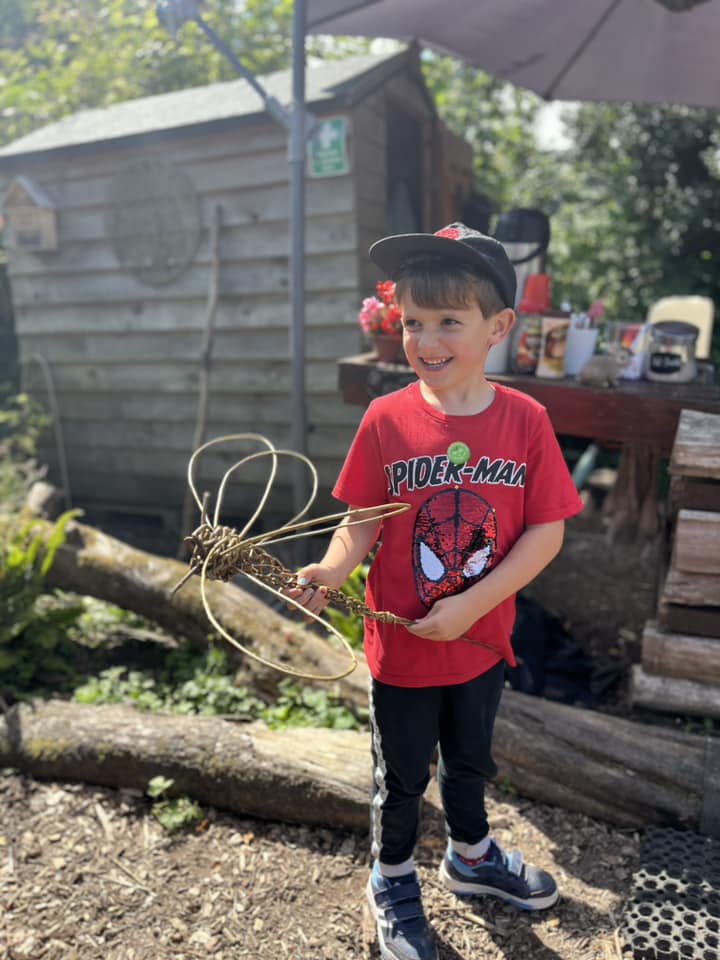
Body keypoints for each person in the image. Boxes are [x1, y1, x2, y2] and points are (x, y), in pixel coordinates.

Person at [288, 222, 584, 960]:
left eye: (449, 320)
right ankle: (390, 875)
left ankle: (471, 855)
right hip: (404, 652)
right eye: (413, 322)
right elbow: (358, 523)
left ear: (498, 327)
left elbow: (546, 533)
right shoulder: (386, 420)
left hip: (482, 644)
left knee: (472, 758)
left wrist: (473, 606)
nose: (427, 338)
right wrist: (332, 569)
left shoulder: (526, 421)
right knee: (402, 772)